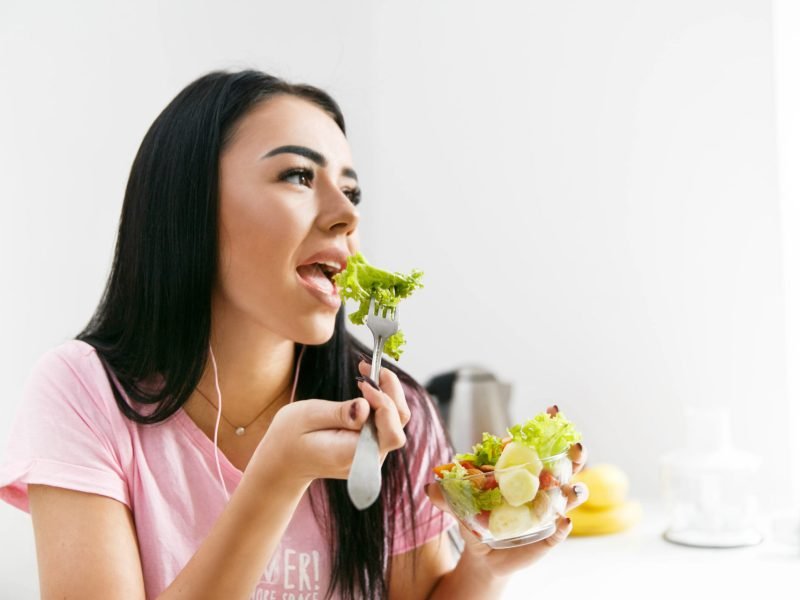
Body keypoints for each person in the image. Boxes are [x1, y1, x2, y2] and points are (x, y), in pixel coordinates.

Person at [0, 70, 588, 599]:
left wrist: (483, 571)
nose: (348, 214)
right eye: (298, 175)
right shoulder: (83, 393)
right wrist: (275, 480)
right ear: (191, 205)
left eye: (352, 191)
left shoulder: (394, 410)